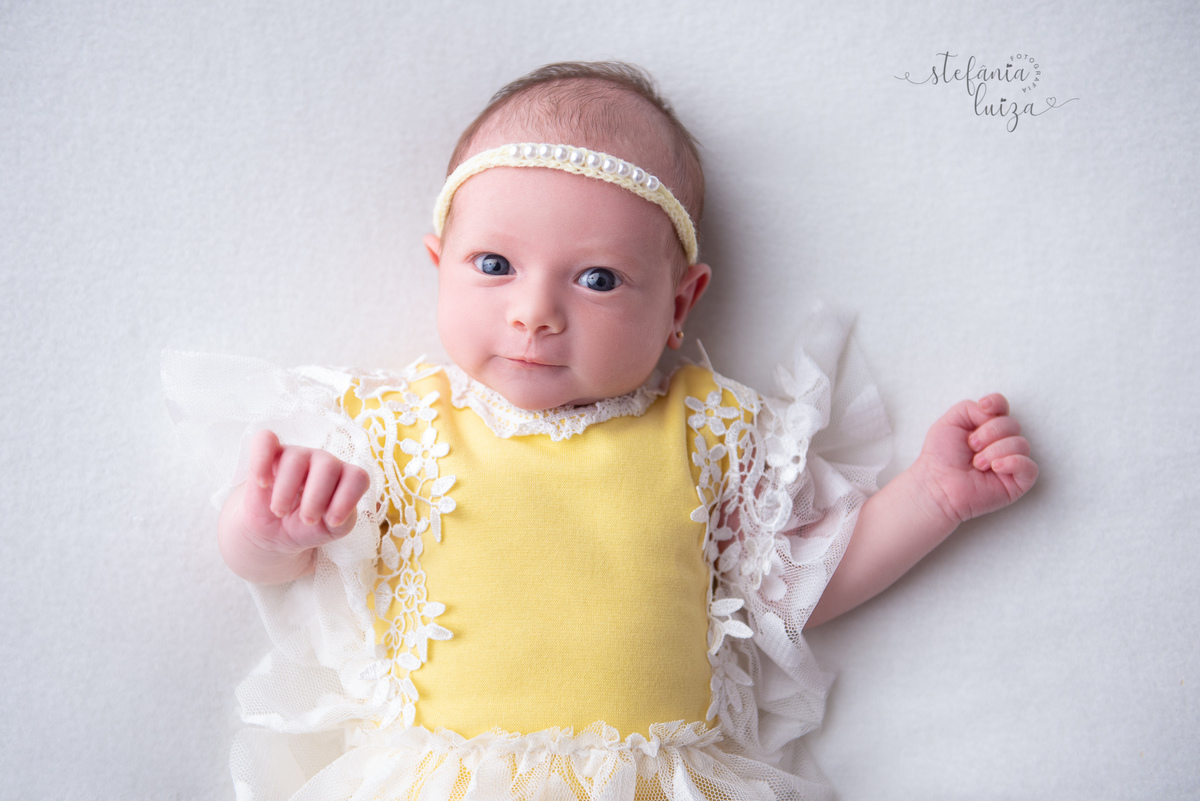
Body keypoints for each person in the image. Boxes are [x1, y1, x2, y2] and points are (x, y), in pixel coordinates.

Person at [191, 62, 1037, 800]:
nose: (535, 312)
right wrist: (266, 531)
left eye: (597, 279)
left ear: (678, 303)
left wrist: (930, 496)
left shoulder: (705, 431)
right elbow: (280, 572)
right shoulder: (395, 426)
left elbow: (795, 590)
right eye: (495, 265)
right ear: (440, 265)